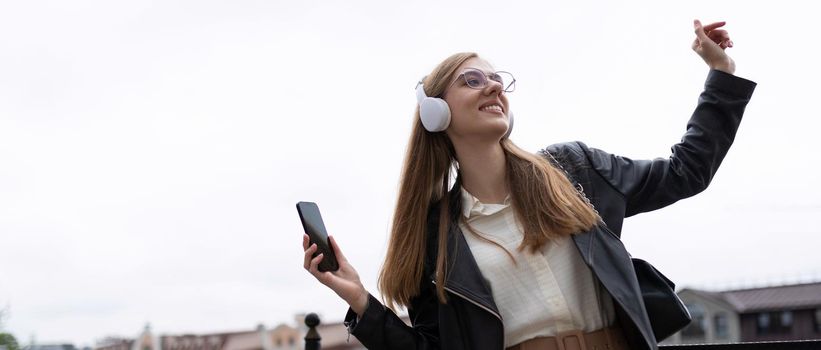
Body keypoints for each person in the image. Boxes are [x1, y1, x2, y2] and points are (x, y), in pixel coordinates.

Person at [301, 19, 756, 350]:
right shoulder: (434, 234)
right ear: (435, 113)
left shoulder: (573, 170)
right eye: (472, 80)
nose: (493, 88)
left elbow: (685, 172)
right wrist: (360, 300)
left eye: (498, 80)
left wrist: (722, 76)